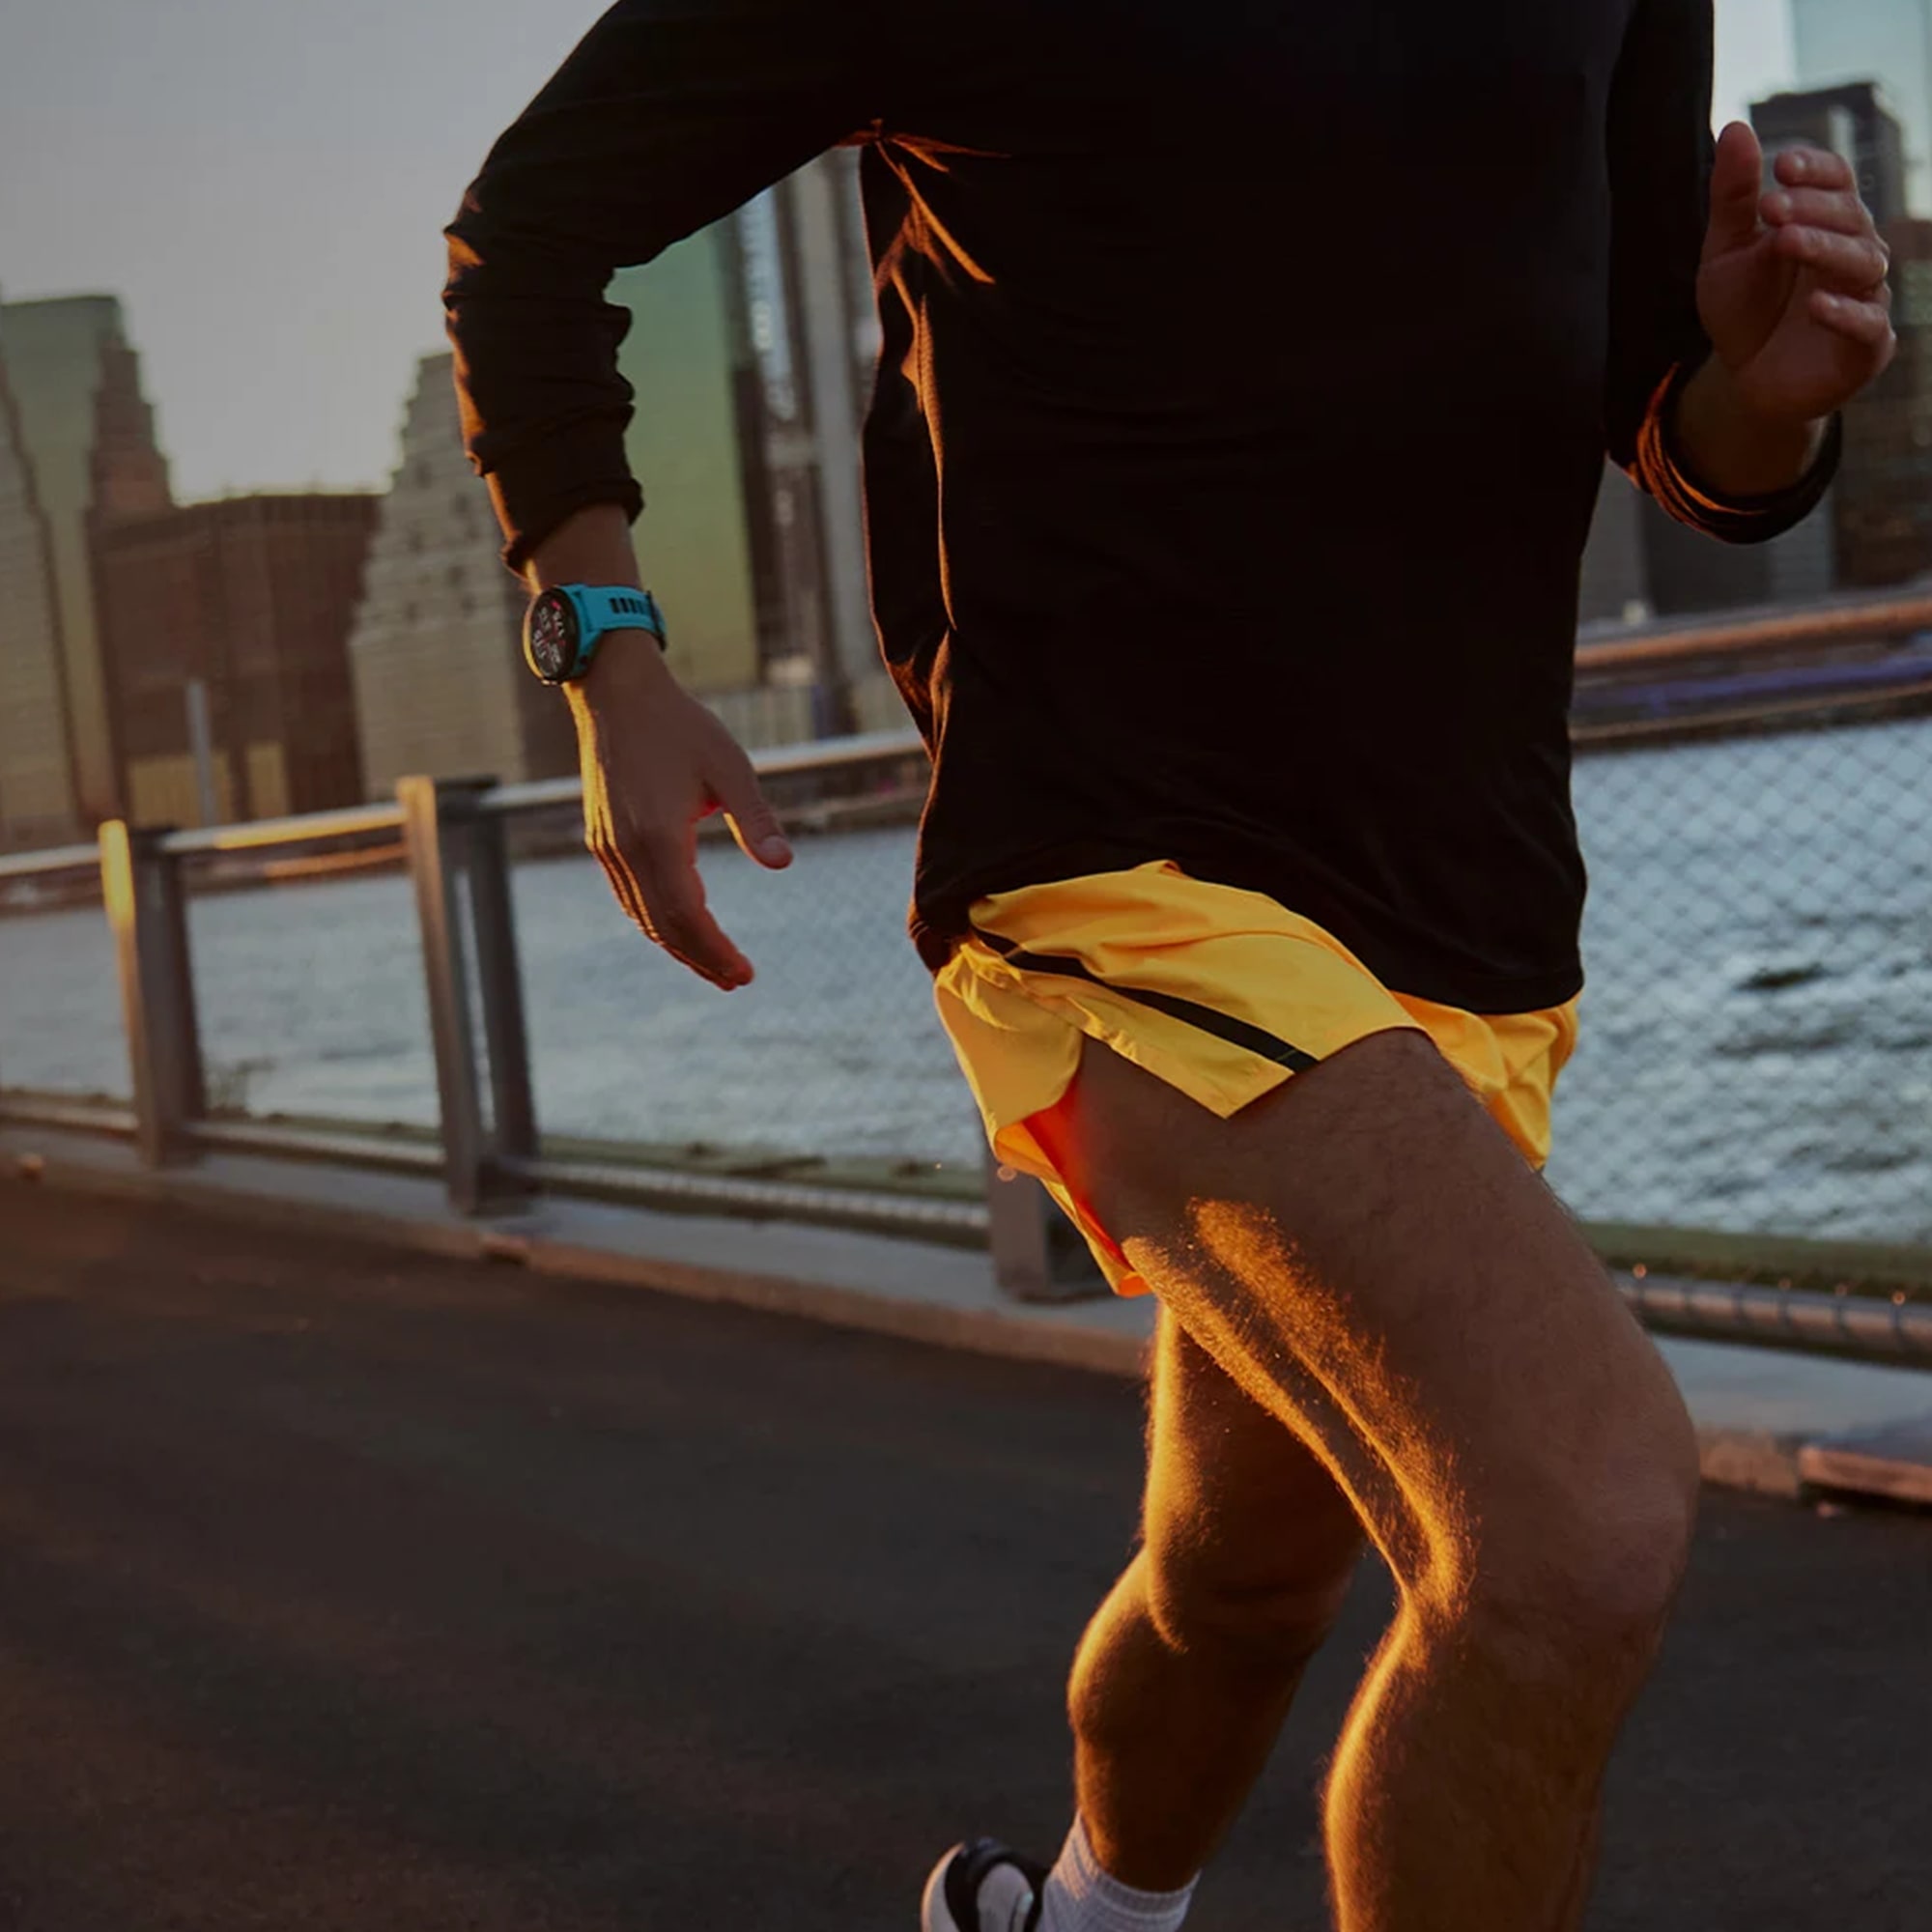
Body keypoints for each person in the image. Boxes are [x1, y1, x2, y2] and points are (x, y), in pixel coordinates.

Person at [443, 2, 1893, 1924]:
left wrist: (1765, 399)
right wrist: (609, 653)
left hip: (1465, 898)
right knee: (1576, 1522)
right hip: (1115, 858)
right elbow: (532, 229)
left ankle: (1078, 1918)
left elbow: (1654, 395)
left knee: (1240, 1579)